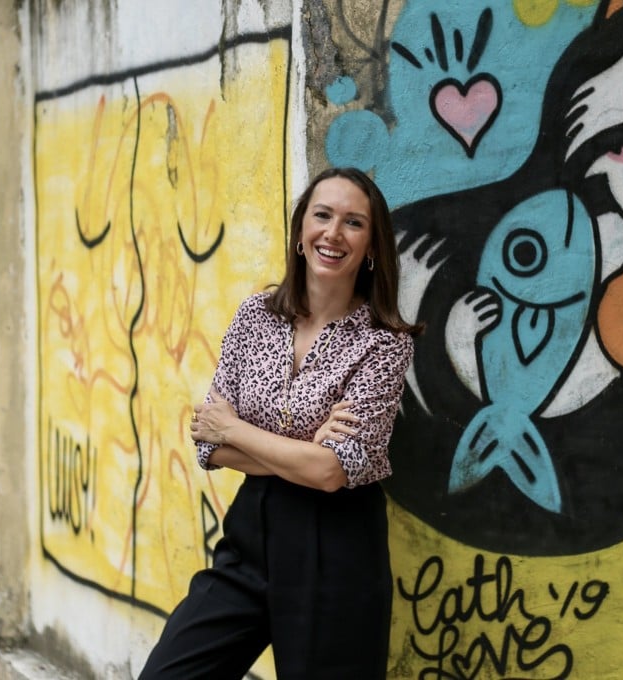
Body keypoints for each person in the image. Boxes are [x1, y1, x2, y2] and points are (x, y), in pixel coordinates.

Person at [139, 167, 421, 679]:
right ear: (299, 232)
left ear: (372, 246)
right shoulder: (255, 317)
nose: (333, 233)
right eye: (323, 215)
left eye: (354, 223)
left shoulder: (383, 343)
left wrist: (241, 431)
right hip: (251, 536)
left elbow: (332, 473)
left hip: (336, 550)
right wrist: (303, 450)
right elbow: (208, 442)